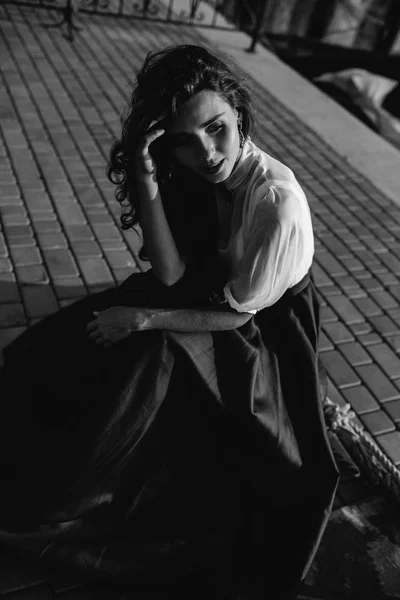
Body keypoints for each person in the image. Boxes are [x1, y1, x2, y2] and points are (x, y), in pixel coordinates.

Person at [0, 44, 339, 599]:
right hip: (206, 298)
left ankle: (78, 495)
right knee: (53, 355)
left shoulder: (277, 205)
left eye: (218, 128)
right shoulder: (196, 170)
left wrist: (142, 319)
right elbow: (172, 269)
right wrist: (145, 167)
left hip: (263, 330)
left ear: (239, 112)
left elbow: (235, 316)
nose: (207, 152)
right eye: (186, 139)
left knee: (139, 370)